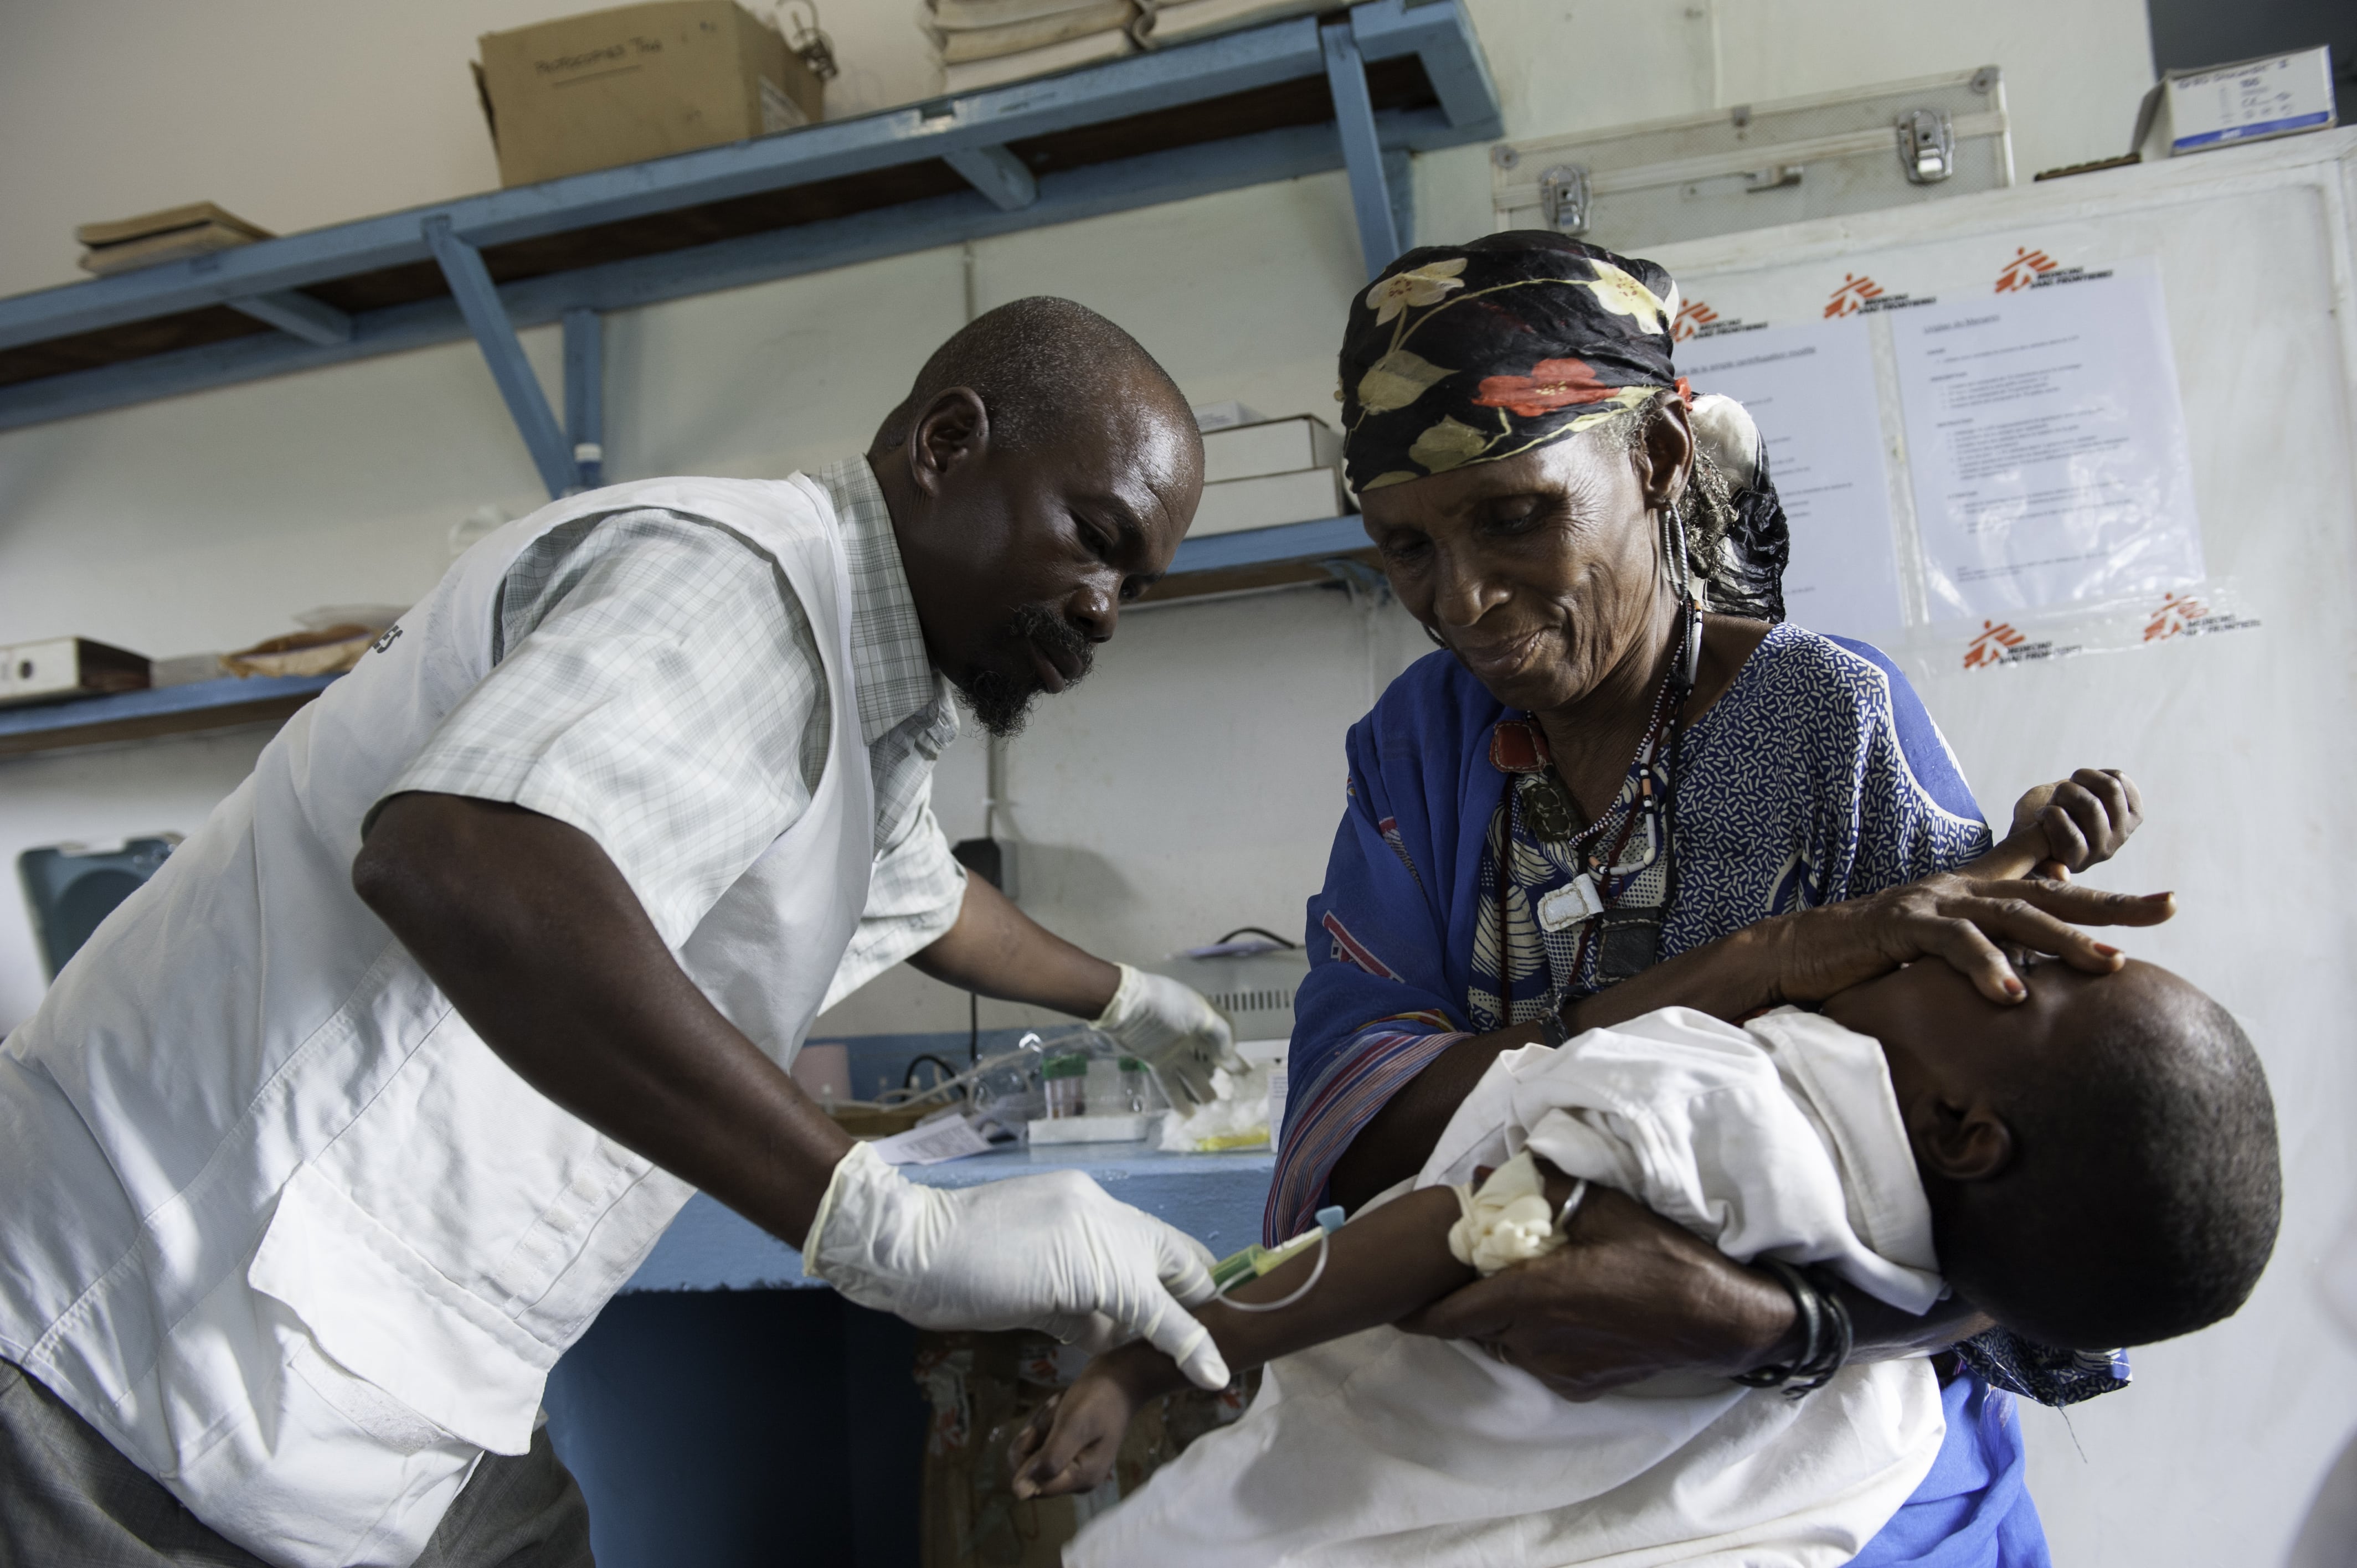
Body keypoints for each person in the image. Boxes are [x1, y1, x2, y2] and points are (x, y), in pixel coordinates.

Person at [0, 298, 1246, 1568]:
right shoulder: (728, 582)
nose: (1102, 611)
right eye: (1094, 540)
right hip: (128, 1331)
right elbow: (459, 861)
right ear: (945, 443)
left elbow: (929, 899)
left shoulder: (863, 697)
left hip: (375, 1357)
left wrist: (1133, 1001)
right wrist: (890, 1231)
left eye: (1132, 587)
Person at [1264, 234, 2183, 1565]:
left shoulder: (1824, 722)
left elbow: (2043, 1196)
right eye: (1407, 546)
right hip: (1527, 1479)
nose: (1459, 601)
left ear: (1654, 461)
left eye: (1515, 514)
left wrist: (1769, 1325)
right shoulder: (1420, 749)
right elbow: (1361, 1138)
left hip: (1857, 1483)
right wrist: (1770, 959)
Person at [1009, 946, 2281, 1567]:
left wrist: (1161, 1356)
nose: (1995, 961)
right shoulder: (1912, 1290)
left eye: (2030, 983)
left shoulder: (1743, 1115)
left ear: (1963, 1129)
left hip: (1401, 1449)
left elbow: (1450, 1228)